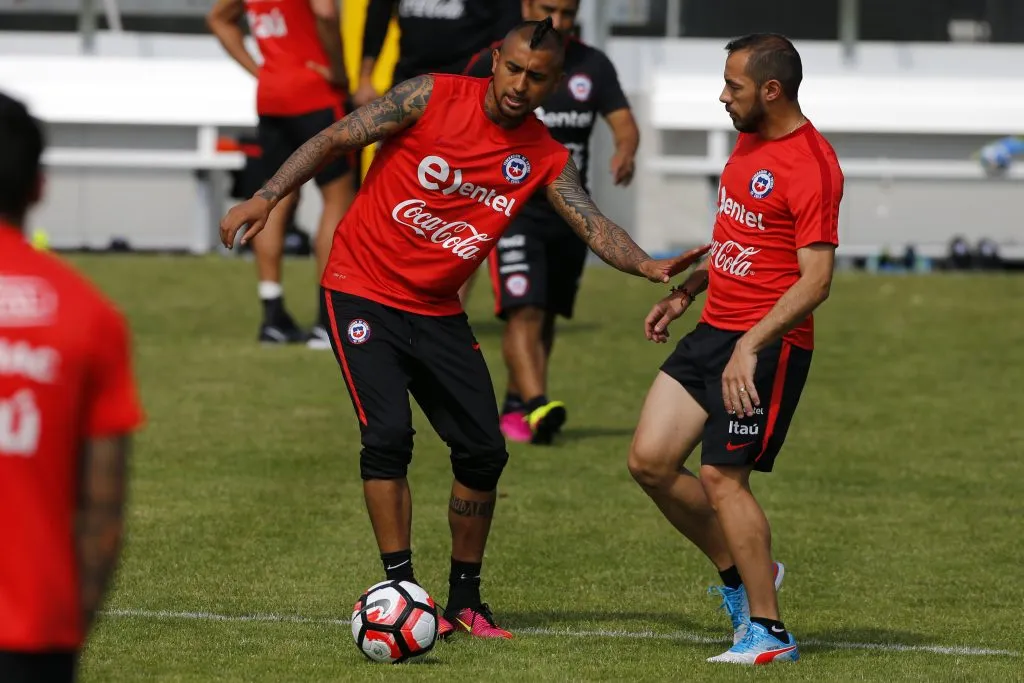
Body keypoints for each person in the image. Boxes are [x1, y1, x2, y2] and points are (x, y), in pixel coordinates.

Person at [220, 18, 708, 640]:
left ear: (554, 83)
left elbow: (592, 223)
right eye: (513, 69)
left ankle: (466, 602)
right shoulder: (430, 94)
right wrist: (266, 195)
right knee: (388, 436)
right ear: (496, 60)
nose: (520, 85)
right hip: (361, 288)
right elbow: (335, 137)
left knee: (483, 451)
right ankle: (401, 588)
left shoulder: (544, 155)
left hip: (437, 309)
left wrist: (646, 264)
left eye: (537, 77)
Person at [626, 33, 843, 665]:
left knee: (722, 477)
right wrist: (687, 292)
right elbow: (738, 236)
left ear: (771, 90)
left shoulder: (812, 164)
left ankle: (769, 633)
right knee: (650, 461)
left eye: (734, 86)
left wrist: (751, 344)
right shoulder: (748, 140)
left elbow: (817, 280)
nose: (723, 96)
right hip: (714, 330)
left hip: (767, 343)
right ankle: (745, 574)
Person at [0, 92, 144, 682]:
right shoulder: (88, 315)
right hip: (35, 632)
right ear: (39, 186)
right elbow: (102, 513)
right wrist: (69, 630)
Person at [460, 0, 640, 444]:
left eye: (567, 12)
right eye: (548, 9)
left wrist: (625, 150)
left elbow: (624, 122)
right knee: (524, 309)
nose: (558, 21)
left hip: (570, 214)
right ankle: (539, 404)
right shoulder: (497, 59)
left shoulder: (593, 66)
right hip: (512, 209)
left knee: (546, 317)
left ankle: (518, 405)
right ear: (526, 5)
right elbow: (458, 116)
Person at [208, 0, 357, 348]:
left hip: (273, 95)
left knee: (273, 197)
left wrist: (261, 70)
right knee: (337, 198)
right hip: (316, 91)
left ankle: (272, 314)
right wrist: (338, 69)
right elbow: (325, 12)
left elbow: (218, 19)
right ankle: (327, 321)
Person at [352, 0, 521, 108]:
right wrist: (365, 80)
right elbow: (378, 15)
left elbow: (507, 36)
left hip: (465, 89)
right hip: (408, 84)